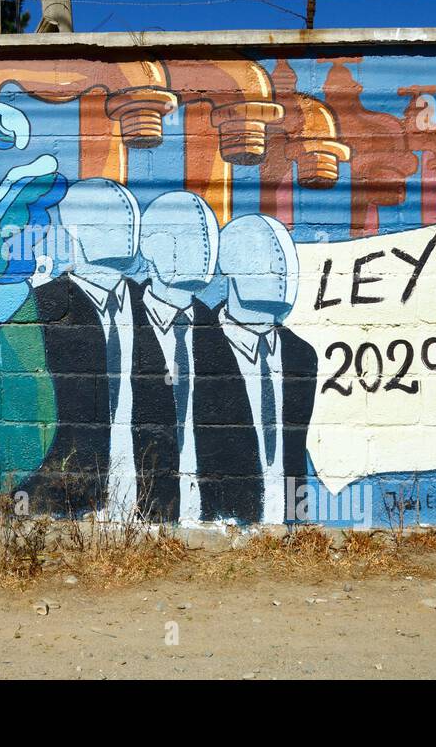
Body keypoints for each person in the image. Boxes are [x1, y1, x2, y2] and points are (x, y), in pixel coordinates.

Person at [19, 178, 141, 519]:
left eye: (127, 214)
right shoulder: (40, 308)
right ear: (73, 228)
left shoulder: (147, 306)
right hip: (70, 498)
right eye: (108, 216)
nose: (125, 224)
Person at [192, 214, 318, 524]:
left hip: (287, 531)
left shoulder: (301, 355)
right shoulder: (197, 347)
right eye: (269, 263)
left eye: (285, 265)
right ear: (230, 267)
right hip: (221, 525)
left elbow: (294, 454)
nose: (281, 276)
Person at [132, 191, 220, 522]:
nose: (204, 250)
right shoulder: (124, 324)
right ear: (150, 246)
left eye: (208, 237)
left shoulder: (218, 331)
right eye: (187, 237)